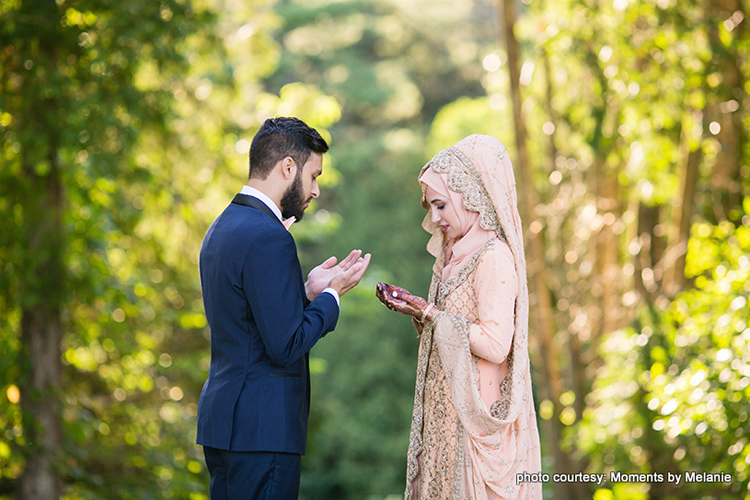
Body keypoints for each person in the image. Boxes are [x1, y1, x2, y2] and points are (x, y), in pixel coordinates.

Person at [197, 117, 371, 500]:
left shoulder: (223, 227)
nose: (316, 190)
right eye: (313, 176)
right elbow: (286, 344)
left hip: (225, 424)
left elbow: (249, 318)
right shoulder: (269, 236)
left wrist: (307, 292)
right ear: (287, 167)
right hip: (263, 429)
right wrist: (333, 296)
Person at [376, 134, 542, 499]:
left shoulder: (493, 257)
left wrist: (432, 312)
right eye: (429, 208)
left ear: (471, 198)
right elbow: (450, 329)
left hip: (474, 429)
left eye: (440, 206)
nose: (434, 219)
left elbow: (497, 346)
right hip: (444, 422)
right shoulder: (455, 258)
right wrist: (418, 312)